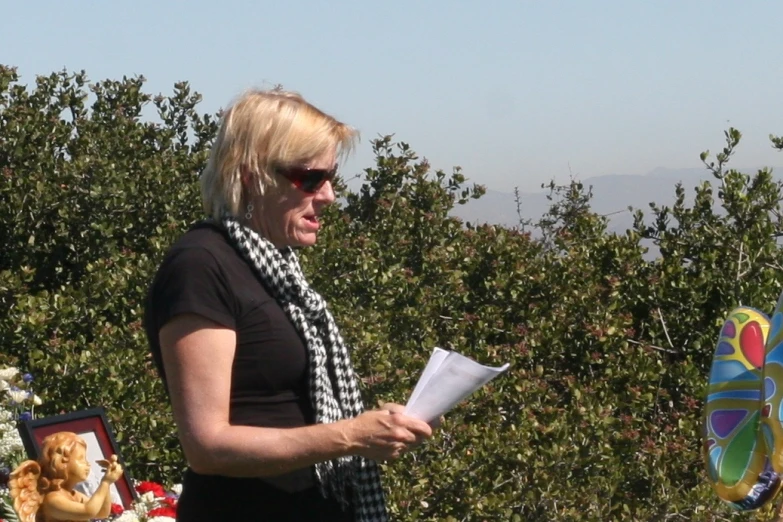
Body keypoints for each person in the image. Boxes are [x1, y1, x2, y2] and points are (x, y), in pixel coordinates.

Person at [143, 88, 434, 522]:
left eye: (331, 177)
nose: (329, 195)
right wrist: (352, 435)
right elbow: (207, 446)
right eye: (311, 178)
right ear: (250, 176)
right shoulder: (201, 266)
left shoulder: (275, 267)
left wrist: (376, 427)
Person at [9, 431, 124, 522]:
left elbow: (102, 512)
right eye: (81, 459)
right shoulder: (53, 500)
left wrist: (108, 482)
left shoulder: (75, 495)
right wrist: (105, 482)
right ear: (61, 464)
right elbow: (89, 511)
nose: (87, 464)